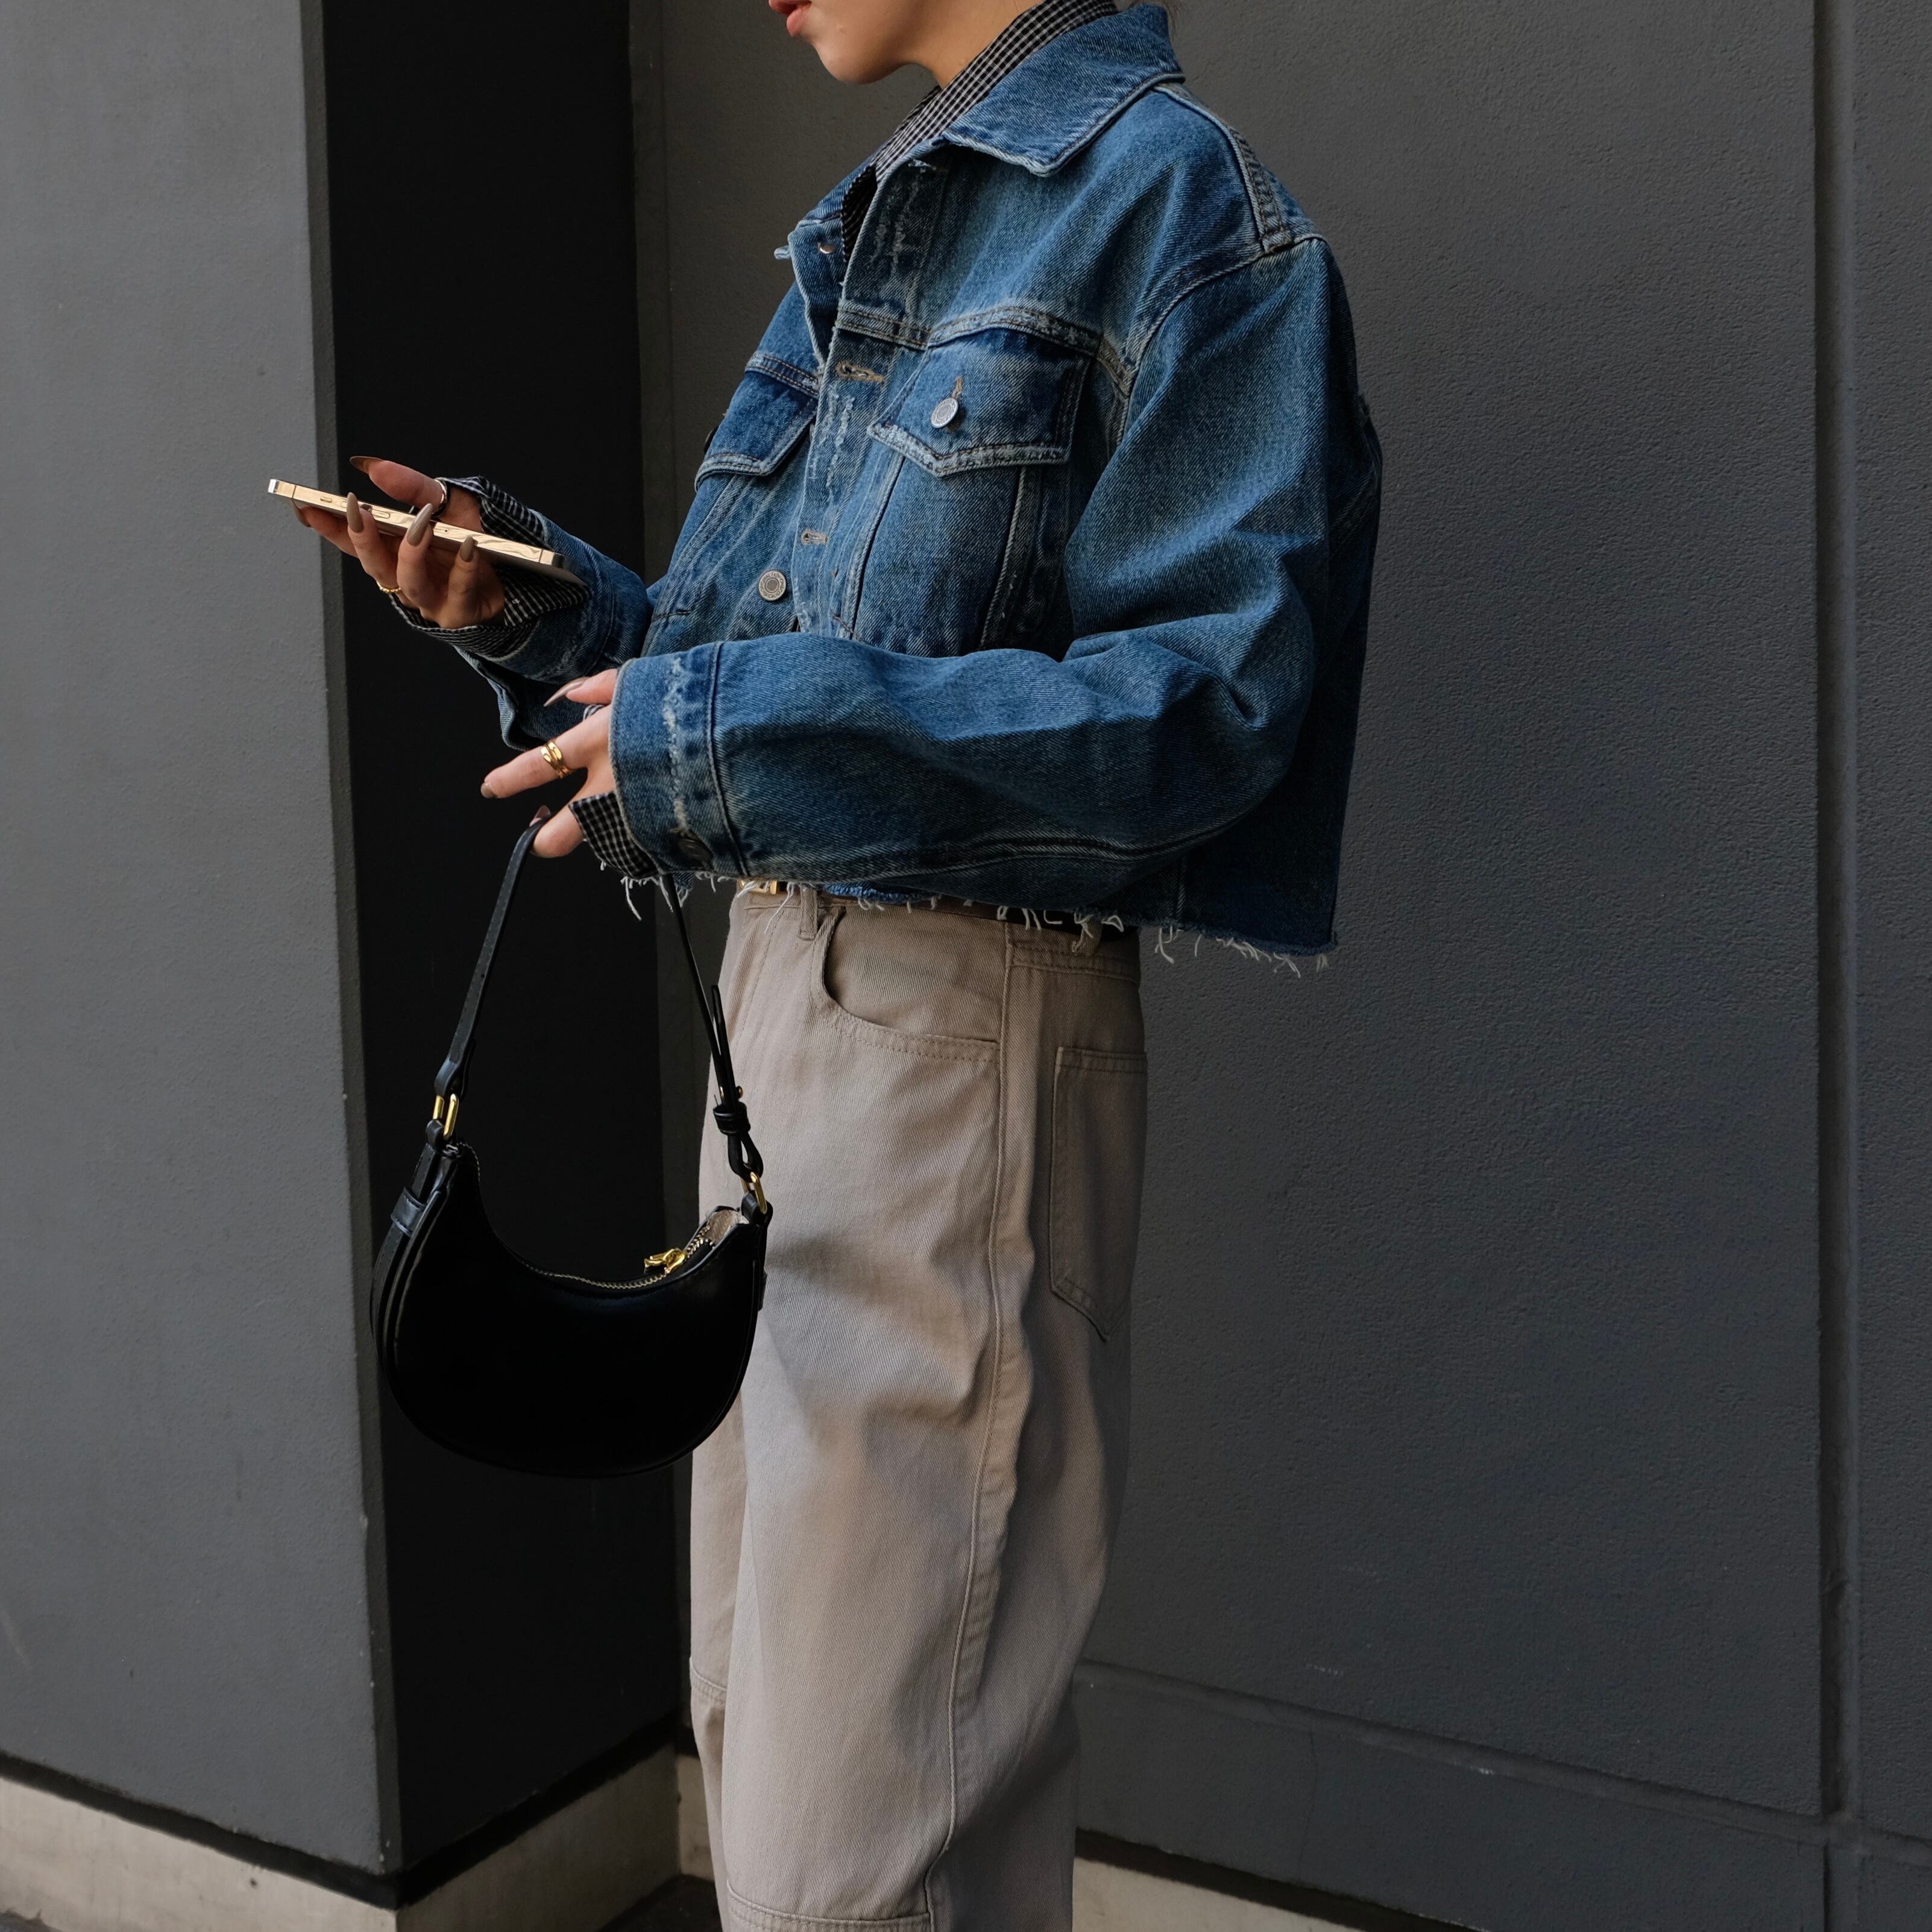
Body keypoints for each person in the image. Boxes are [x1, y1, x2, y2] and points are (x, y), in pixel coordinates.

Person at [296, 2, 1379, 1925]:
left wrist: (723, 734)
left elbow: (1206, 721)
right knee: (776, 1757)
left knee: (865, 1840)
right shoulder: (891, 217)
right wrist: (540, 617)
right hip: (790, 1008)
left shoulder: (1180, 208)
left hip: (959, 1031)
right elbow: (751, 681)